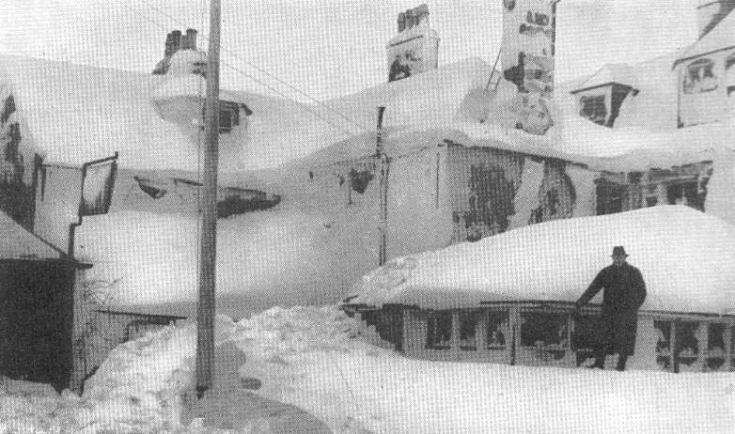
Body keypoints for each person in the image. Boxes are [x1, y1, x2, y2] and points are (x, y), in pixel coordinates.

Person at [575, 246, 646, 371]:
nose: (618, 259)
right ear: (612, 258)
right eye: (616, 257)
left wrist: (632, 307)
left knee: (625, 338)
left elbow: (642, 292)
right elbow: (593, 288)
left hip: (626, 313)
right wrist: (580, 303)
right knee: (602, 336)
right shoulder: (606, 272)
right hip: (609, 311)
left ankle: (621, 365)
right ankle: (599, 363)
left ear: (625, 257)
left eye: (621, 257)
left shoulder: (634, 272)